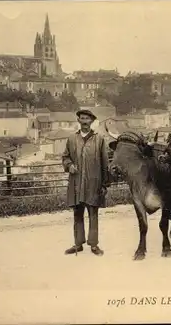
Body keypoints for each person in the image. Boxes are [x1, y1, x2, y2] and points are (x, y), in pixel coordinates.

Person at [62, 109, 110, 256]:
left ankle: (94, 245)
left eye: (87, 119)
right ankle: (78, 244)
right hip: (76, 183)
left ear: (91, 121)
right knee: (77, 213)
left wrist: (104, 184)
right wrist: (69, 165)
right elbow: (65, 157)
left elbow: (105, 163)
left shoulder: (99, 139)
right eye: (82, 118)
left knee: (93, 213)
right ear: (78, 121)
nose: (84, 121)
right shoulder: (71, 139)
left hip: (93, 183)